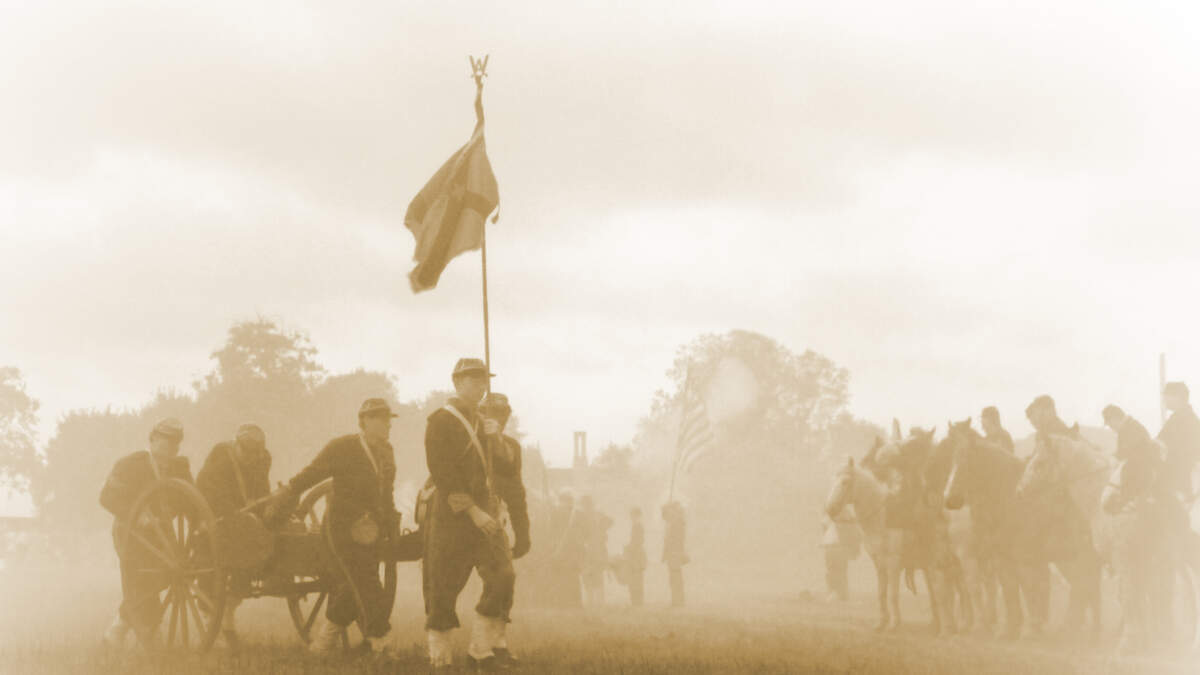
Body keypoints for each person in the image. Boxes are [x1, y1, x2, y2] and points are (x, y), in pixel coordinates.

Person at [266, 398, 402, 658]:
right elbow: (311, 474)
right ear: (365, 421)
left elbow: (387, 492)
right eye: (382, 419)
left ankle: (322, 644)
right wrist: (287, 492)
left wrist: (390, 519)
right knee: (368, 583)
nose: (388, 424)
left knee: (352, 587)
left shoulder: (387, 451)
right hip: (341, 529)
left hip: (370, 532)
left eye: (388, 419)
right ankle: (381, 643)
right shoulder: (342, 447)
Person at [421, 358, 516, 671]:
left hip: (485, 512)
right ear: (457, 382)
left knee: (503, 575)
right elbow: (443, 473)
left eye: (483, 380)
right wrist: (473, 512)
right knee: (443, 586)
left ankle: (479, 648)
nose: (480, 386)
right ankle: (439, 656)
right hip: (452, 515)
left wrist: (496, 438)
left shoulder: (484, 421)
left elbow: (506, 469)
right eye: (473, 380)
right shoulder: (440, 421)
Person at [100, 418, 193, 647]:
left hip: (162, 534)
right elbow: (107, 497)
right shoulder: (131, 465)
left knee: (167, 575)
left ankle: (123, 628)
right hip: (130, 532)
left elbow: (192, 502)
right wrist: (139, 516)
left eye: (175, 443)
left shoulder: (180, 468)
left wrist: (201, 526)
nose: (170, 446)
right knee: (143, 579)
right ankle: (138, 632)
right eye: (165, 441)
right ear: (152, 440)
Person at [1101, 405, 1172, 652]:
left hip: (1139, 504)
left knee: (1129, 565)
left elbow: (1130, 463)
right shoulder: (1133, 431)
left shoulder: (1131, 432)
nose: (1111, 428)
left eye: (1110, 423)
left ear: (1115, 418)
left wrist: (1122, 497)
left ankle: (1133, 632)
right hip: (1142, 497)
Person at [195, 423, 273, 649]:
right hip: (213, 518)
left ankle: (228, 613)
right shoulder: (221, 456)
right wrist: (237, 513)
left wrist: (264, 508)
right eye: (247, 453)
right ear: (237, 446)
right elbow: (208, 491)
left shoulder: (263, 458)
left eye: (255, 453)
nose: (251, 458)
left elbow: (262, 488)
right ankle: (212, 622)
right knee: (212, 565)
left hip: (245, 522)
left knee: (253, 556)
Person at [479, 392, 531, 666]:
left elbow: (516, 492)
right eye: (493, 413)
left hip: (493, 523)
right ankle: (439, 650)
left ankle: (494, 643)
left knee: (504, 578)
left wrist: (522, 533)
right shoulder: (467, 440)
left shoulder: (511, 447)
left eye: (503, 414)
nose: (499, 418)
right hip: (461, 519)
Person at [1158, 381, 1200, 501]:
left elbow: (1185, 455)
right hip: (1178, 477)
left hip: (1181, 482)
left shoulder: (1185, 419)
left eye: (1166, 396)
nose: (1164, 400)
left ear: (1177, 397)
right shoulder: (1179, 417)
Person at [821, 505, 860, 602]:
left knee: (840, 570)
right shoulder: (828, 515)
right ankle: (833, 592)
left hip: (839, 546)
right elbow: (824, 527)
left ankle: (841, 594)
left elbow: (853, 531)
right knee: (832, 570)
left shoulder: (845, 514)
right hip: (830, 546)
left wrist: (853, 548)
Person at [580, 496, 612, 607]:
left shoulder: (596, 515)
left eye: (586, 504)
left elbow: (609, 522)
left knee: (596, 576)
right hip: (589, 551)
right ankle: (593, 601)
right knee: (589, 576)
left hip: (596, 551)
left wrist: (601, 527)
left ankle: (598, 601)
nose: (585, 507)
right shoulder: (583, 516)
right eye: (584, 505)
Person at [662, 501, 688, 607]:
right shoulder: (674, 523)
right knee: (674, 577)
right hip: (673, 554)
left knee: (675, 577)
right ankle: (677, 600)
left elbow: (675, 540)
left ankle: (678, 601)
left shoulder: (677, 523)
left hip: (675, 553)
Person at [623, 507, 647, 606]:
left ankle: (637, 601)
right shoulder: (636, 526)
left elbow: (638, 541)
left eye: (634, 516)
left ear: (638, 516)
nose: (632, 518)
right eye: (632, 516)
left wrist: (629, 547)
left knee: (636, 579)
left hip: (636, 556)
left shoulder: (638, 527)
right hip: (635, 555)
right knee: (635, 578)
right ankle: (636, 601)